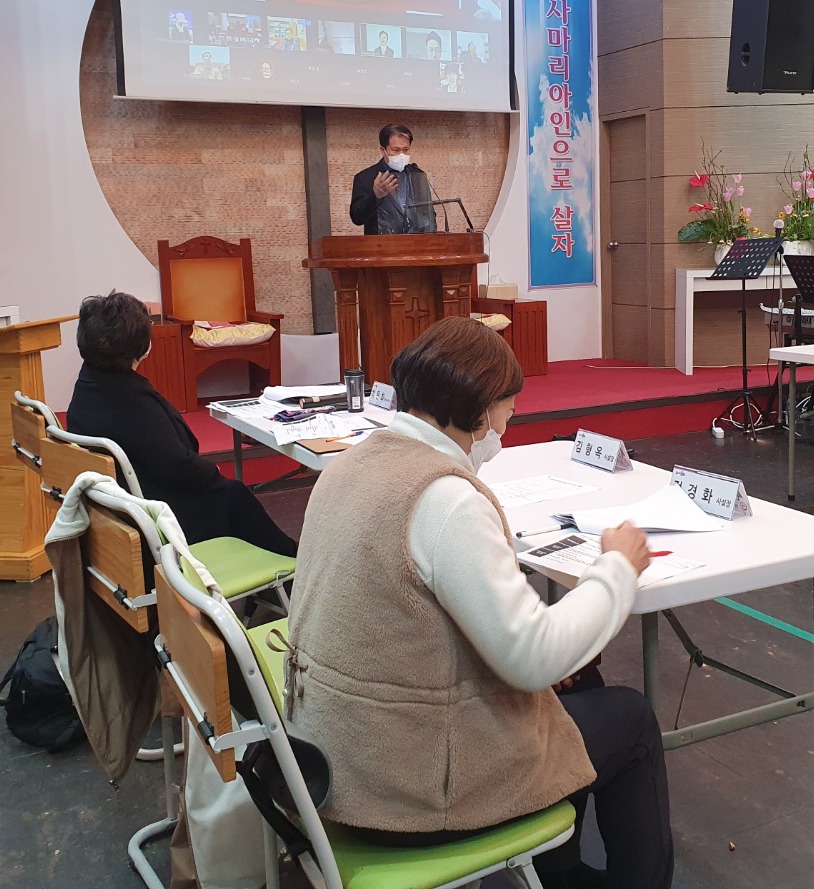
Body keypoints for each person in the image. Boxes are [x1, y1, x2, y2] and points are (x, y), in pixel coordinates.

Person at [286, 317, 673, 889]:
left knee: (579, 682)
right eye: (507, 414)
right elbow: (532, 657)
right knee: (631, 718)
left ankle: (560, 872)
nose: (505, 431)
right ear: (482, 409)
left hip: (328, 758)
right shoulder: (447, 501)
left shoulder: (347, 464)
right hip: (403, 790)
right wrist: (617, 568)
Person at [65, 292, 297, 559]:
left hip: (117, 512)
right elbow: (178, 466)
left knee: (232, 496)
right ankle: (294, 562)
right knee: (233, 495)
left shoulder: (88, 386)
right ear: (139, 345)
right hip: (158, 520)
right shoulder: (130, 401)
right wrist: (212, 470)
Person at [348, 123, 438, 235]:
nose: (402, 155)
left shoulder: (417, 175)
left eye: (406, 149)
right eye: (396, 150)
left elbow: (428, 213)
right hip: (381, 244)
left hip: (416, 242)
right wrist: (375, 196)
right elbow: (357, 218)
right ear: (383, 150)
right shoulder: (366, 177)